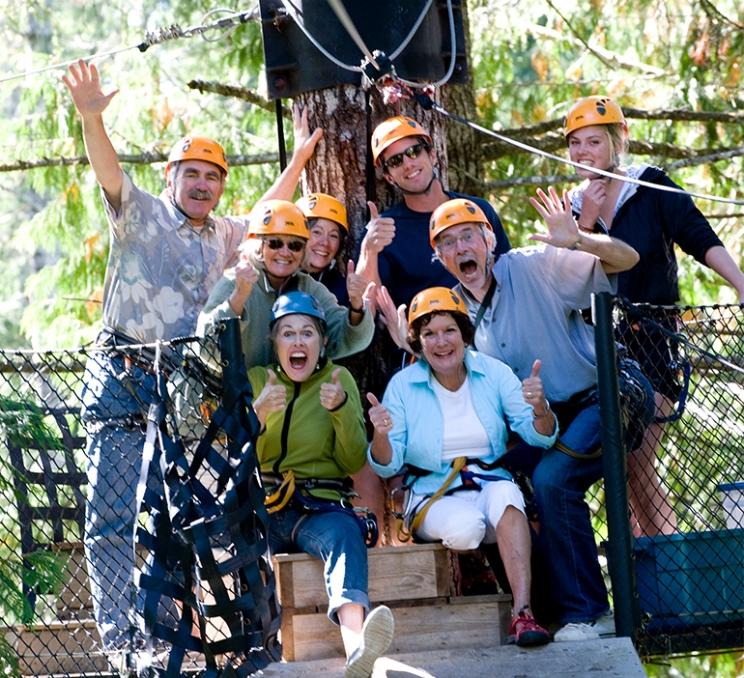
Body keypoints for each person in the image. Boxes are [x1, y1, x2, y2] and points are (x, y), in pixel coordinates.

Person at [381, 193, 652, 641]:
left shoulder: (534, 266)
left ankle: (588, 613)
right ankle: (539, 610)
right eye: (448, 243)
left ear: (489, 239)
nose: (461, 248)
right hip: (542, 419)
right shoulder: (450, 309)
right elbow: (446, 361)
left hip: (601, 394)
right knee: (497, 477)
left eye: (469, 235)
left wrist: (580, 239)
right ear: (439, 258)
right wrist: (411, 346)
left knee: (552, 480)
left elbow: (629, 258)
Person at [62, 59, 250, 659]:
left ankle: (169, 634)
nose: (200, 185)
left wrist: (299, 158)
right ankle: (123, 644)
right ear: (171, 177)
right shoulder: (140, 213)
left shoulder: (220, 234)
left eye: (211, 177)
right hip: (121, 377)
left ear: (221, 187)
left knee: (175, 516)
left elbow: (271, 210)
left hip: (176, 394)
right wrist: (92, 117)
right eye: (190, 174)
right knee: (113, 515)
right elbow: (109, 172)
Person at [564, 95, 744, 536]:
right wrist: (585, 222)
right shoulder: (568, 207)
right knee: (618, 471)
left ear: (615, 141)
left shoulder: (649, 186)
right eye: (575, 144)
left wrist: (740, 284)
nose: (583, 152)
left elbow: (698, 236)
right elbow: (569, 278)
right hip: (593, 349)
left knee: (638, 458)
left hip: (651, 340)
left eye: (593, 142)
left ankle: (669, 568)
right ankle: (642, 581)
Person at [366, 287, 556, 647]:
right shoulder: (403, 386)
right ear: (418, 343)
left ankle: (523, 614)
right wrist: (380, 434)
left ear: (464, 334)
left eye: (449, 330)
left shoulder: (493, 372)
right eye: (429, 334)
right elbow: (386, 461)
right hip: (431, 492)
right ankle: (469, 566)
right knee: (468, 528)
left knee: (508, 497)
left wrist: (541, 408)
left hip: (488, 482)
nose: (441, 342)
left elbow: (540, 436)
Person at [248, 291, 394, 677]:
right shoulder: (256, 380)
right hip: (264, 504)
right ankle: (250, 650)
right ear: (274, 343)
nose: (298, 342)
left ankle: (357, 648)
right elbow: (235, 456)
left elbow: (350, 461)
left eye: (308, 333)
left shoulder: (337, 378)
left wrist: (342, 409)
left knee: (345, 533)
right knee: (234, 542)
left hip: (318, 506)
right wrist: (256, 417)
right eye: (288, 333)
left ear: (323, 342)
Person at [355, 115, 512, 309]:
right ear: (388, 177)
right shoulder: (384, 232)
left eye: (414, 152)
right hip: (428, 337)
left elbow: (509, 276)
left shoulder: (477, 210)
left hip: (492, 330)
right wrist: (369, 251)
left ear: (432, 155)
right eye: (396, 161)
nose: (408, 164)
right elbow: (367, 308)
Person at [197, 199, 375, 368]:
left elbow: (344, 339)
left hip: (285, 396)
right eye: (275, 243)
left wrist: (357, 305)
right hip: (229, 395)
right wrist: (238, 298)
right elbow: (206, 350)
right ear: (259, 247)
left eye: (295, 246)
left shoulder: (310, 288)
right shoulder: (234, 282)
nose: (285, 252)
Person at [296, 192, 352, 306]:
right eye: (317, 232)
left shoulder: (341, 289)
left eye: (333, 236)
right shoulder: (279, 276)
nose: (325, 243)